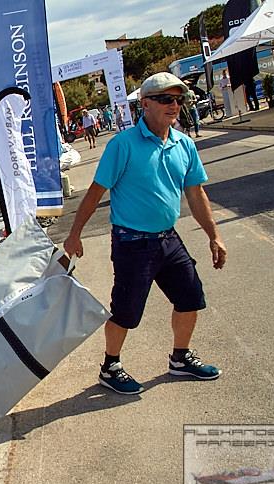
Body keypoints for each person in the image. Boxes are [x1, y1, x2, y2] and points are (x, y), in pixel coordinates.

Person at [63, 72, 227, 395]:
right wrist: (74, 234)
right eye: (166, 99)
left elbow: (196, 194)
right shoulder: (123, 145)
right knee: (126, 311)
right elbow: (96, 193)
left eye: (178, 99)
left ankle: (180, 359)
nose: (174, 105)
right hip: (132, 243)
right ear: (146, 104)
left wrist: (214, 234)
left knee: (191, 296)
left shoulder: (184, 145)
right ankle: (110, 366)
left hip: (168, 238)